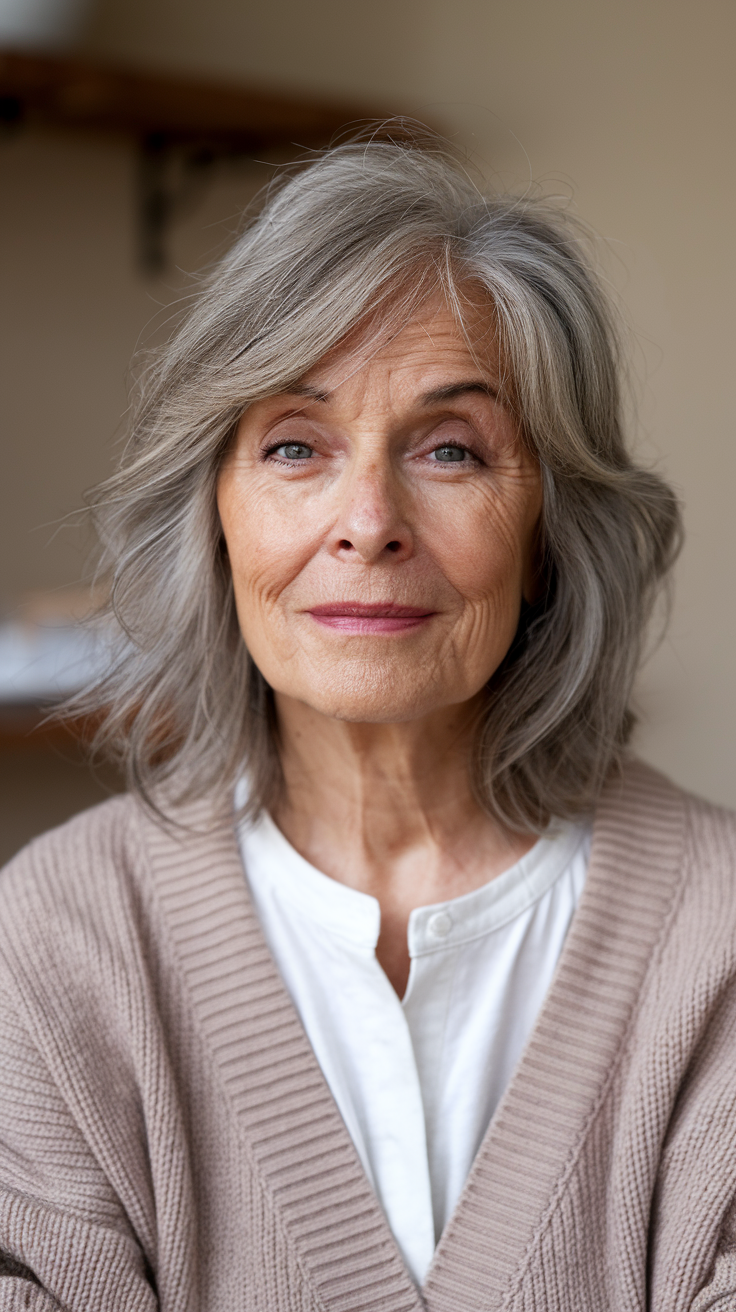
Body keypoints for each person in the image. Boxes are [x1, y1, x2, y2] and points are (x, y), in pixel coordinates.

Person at [1, 128, 735, 1312]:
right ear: (218, 519)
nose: (367, 521)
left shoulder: (719, 937)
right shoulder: (57, 943)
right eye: (295, 445)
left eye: (450, 449)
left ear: (549, 533)